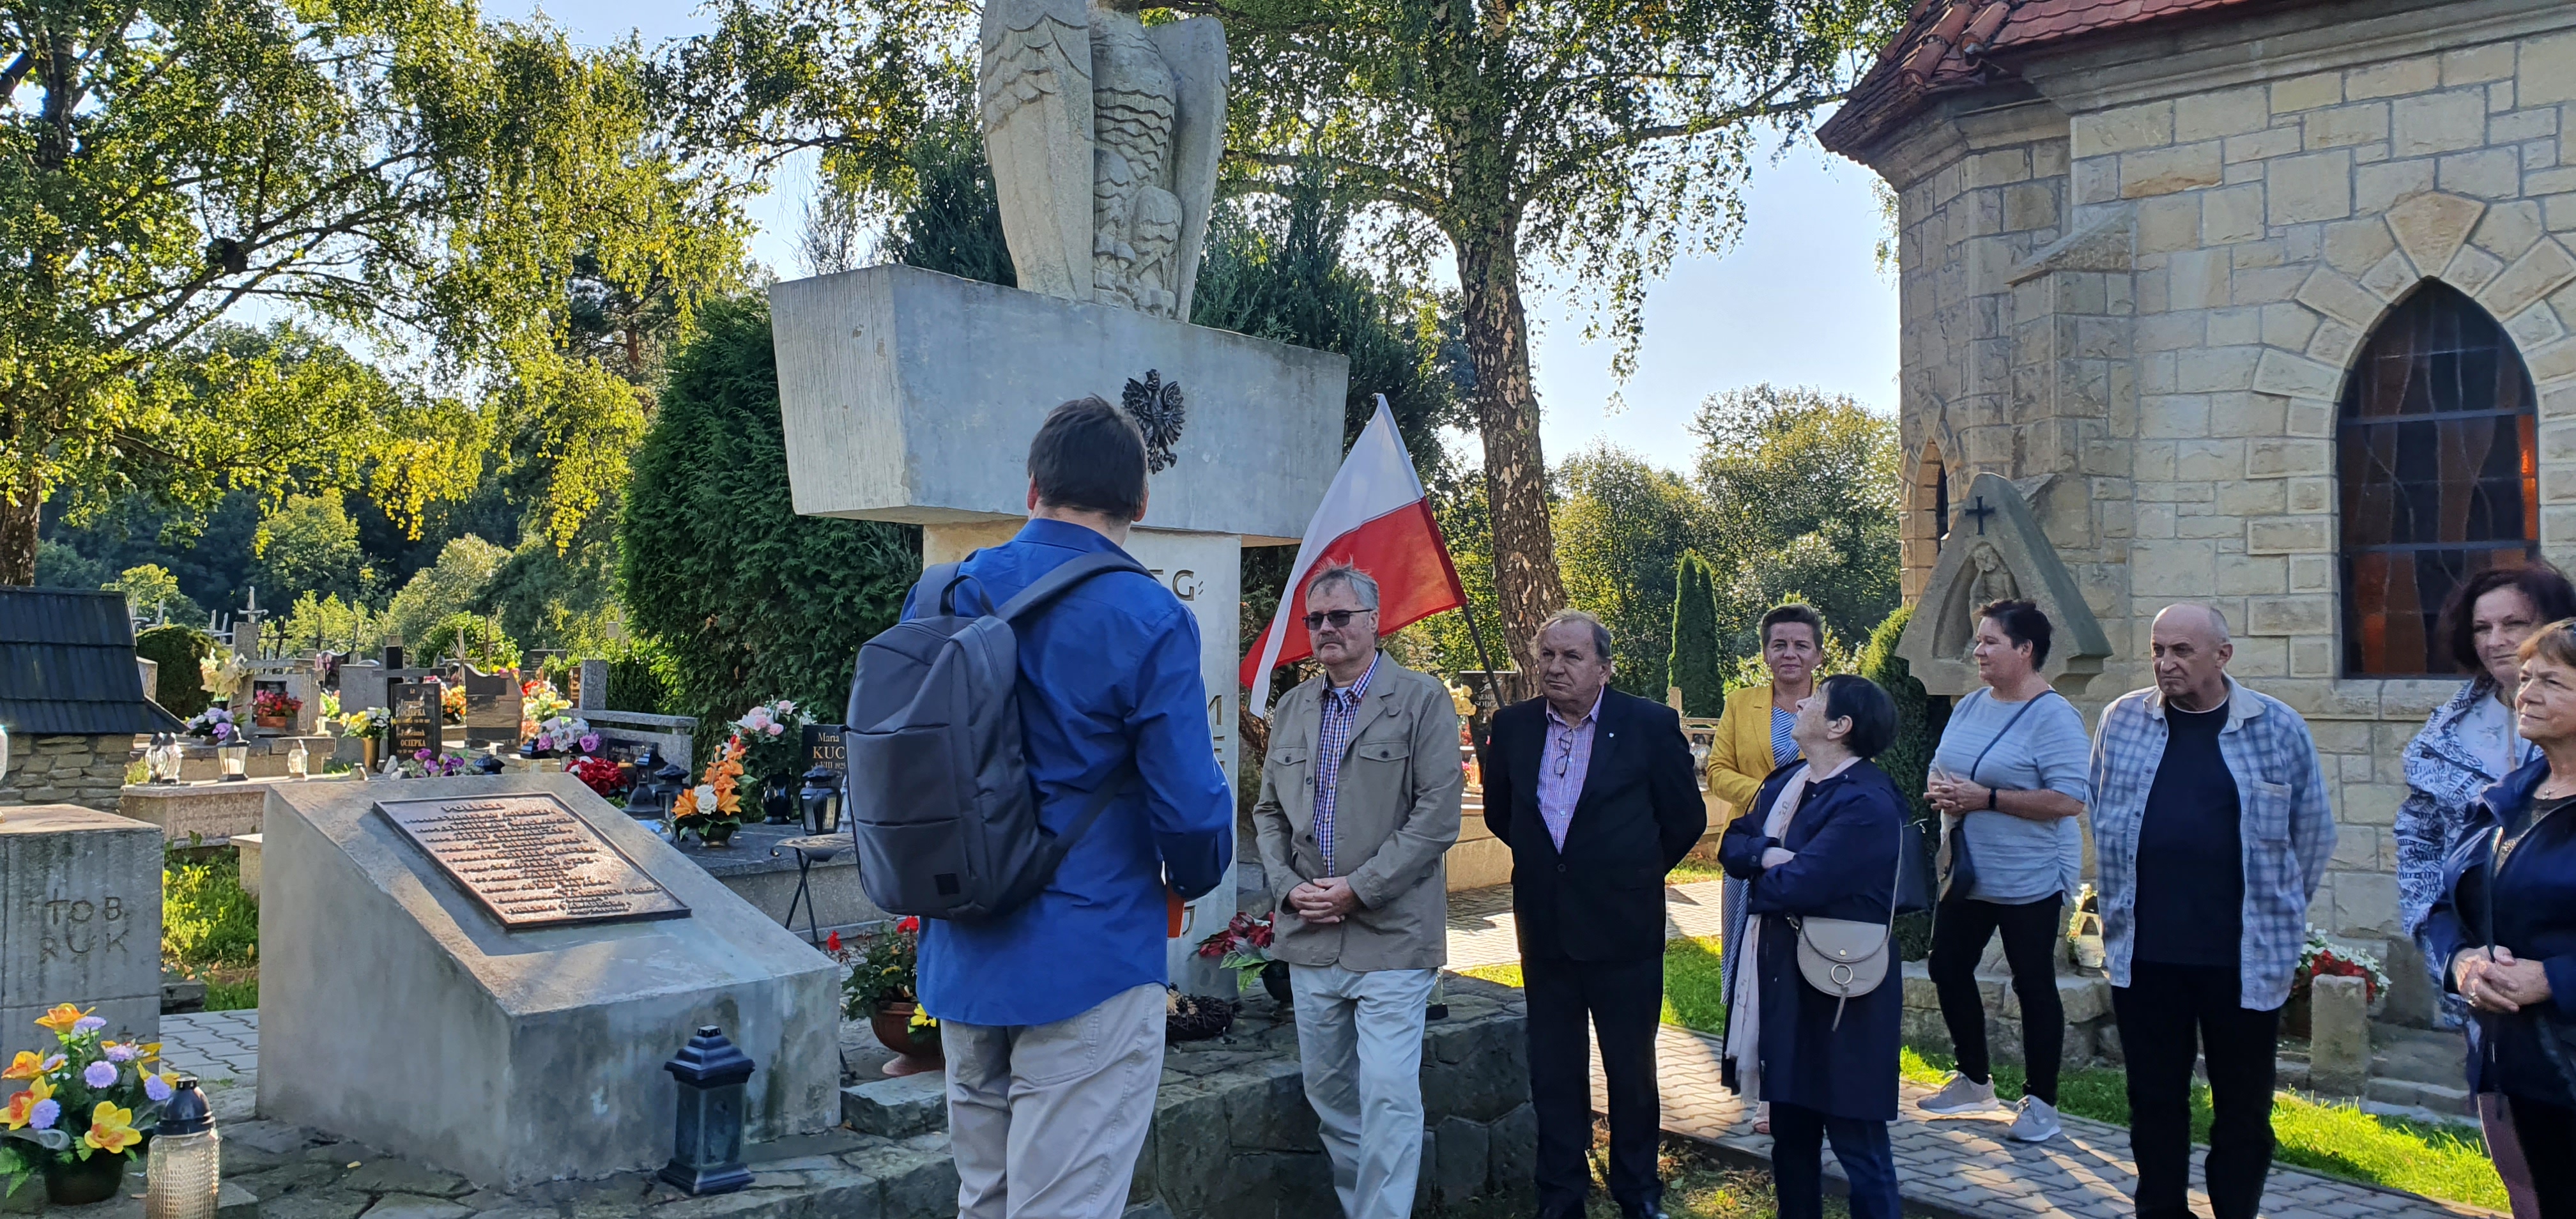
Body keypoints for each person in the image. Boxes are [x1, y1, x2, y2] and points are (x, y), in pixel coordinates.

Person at [903, 397, 1234, 1219]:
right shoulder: (1149, 615)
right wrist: (1193, 876)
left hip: (964, 955)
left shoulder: (944, 594)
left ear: (1033, 488)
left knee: (986, 1202)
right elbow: (1193, 814)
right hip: (1090, 955)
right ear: (1140, 503)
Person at [2089, 604, 2334, 1219]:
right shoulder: (2121, 721)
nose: (2165, 663)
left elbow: (2312, 836)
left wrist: (2276, 914)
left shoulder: (2277, 728)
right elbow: (2100, 812)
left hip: (2242, 962)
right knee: (2154, 1105)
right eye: (2157, 650)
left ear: (2222, 656)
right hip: (2147, 957)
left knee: (2243, 1113)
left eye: (2181, 651)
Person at [1251, 562, 1464, 1219]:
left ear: (1375, 621)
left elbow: (1437, 816)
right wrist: (1289, 889)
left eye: (1340, 616)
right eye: (1315, 619)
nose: (1326, 628)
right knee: (1333, 1097)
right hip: (1311, 935)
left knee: (1390, 1092)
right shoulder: (1294, 708)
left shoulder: (1422, 699)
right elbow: (1268, 813)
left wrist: (1359, 889)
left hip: (1392, 936)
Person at [1481, 610, 1704, 1219]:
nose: (1555, 668)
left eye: (1571, 657)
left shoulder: (1648, 725)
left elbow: (1685, 818)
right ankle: (1560, 1194)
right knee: (1554, 1070)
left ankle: (1638, 1191)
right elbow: (1503, 814)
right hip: (1546, 929)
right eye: (1547, 655)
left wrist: (1630, 872)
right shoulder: (1515, 726)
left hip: (1623, 929)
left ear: (1604, 667)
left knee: (1630, 1071)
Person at [2401, 564, 2576, 1219]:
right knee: (2532, 1189)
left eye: (2548, 680)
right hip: (2505, 1035)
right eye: (2483, 628)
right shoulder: (2499, 794)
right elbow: (2439, 880)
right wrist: (2459, 961)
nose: (2498, 643)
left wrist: (2553, 979)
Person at [1717, 673, 1907, 1219]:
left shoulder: (1869, 801)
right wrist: (1767, 855)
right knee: (1792, 1137)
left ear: (1840, 726)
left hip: (1844, 995)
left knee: (1858, 1143)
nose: (1801, 702)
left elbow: (1798, 886)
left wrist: (1763, 863)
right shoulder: (1787, 783)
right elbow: (1733, 843)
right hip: (1786, 989)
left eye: (1818, 699)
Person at [1917, 599, 2092, 1142]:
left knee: (2032, 984)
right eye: (1979, 640)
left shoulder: (2054, 716)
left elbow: (2069, 799)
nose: (1978, 651)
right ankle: (1974, 1080)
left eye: (1991, 641)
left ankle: (2042, 1105)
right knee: (1947, 967)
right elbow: (1941, 764)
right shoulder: (1971, 705)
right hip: (1968, 870)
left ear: (2025, 650)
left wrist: (1987, 799)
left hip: (2029, 876)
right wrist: (1941, 791)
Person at [1707, 604, 1823, 1135]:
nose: (1790, 654)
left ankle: (1809, 1083)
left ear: (1818, 654)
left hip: (1813, 857)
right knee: (1753, 969)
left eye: (1801, 645)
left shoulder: (1835, 704)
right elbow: (1717, 770)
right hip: (1750, 853)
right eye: (1780, 645)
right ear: (1765, 653)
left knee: (1804, 970)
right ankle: (1765, 1092)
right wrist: (1772, 796)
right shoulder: (1741, 704)